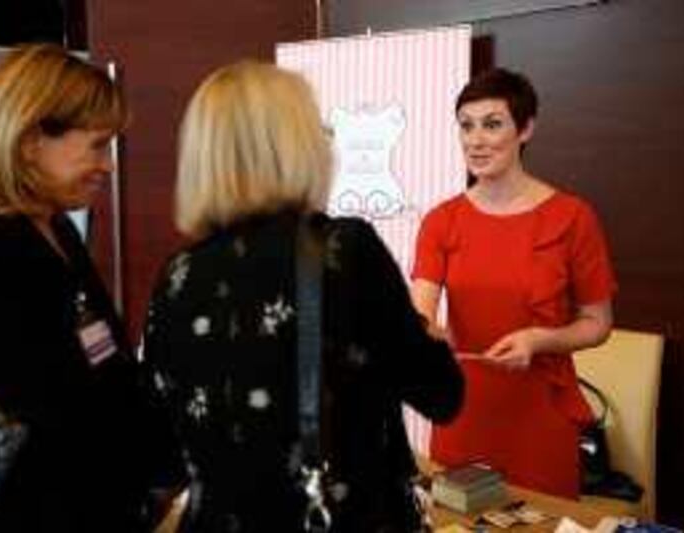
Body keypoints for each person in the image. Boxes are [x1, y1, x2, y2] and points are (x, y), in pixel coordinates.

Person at [141, 60, 464, 532]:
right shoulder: (345, 251)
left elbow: (163, 447)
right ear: (298, 145)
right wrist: (424, 335)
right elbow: (442, 396)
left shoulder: (176, 275)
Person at [0, 44, 186, 532]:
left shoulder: (57, 231)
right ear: (29, 140)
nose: (107, 166)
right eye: (96, 146)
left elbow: (104, 362)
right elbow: (38, 415)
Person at [410, 68, 616, 499]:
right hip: (462, 411)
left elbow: (598, 323)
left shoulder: (573, 217)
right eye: (466, 126)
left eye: (492, 124)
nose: (475, 140)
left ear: (526, 129)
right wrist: (427, 334)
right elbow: (420, 312)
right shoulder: (441, 221)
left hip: (540, 418)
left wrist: (539, 340)